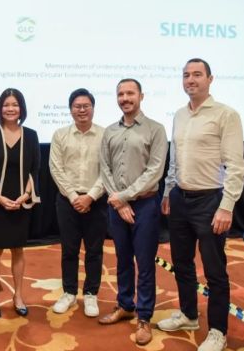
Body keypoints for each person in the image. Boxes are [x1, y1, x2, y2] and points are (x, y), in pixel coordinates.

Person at [157, 58, 244, 351]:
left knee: (214, 271)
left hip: (210, 201)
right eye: (186, 75)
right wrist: (168, 191)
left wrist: (227, 206)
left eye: (197, 74)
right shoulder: (179, 115)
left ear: (210, 79)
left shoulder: (226, 115)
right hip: (180, 200)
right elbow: (174, 160)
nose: (191, 80)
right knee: (182, 263)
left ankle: (218, 331)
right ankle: (189, 315)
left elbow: (236, 166)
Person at [98, 78, 168, 345]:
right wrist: (119, 202)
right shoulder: (109, 131)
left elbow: (155, 171)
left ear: (141, 96)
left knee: (145, 263)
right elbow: (104, 168)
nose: (125, 98)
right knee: (123, 258)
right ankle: (125, 305)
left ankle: (144, 316)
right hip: (117, 206)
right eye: (121, 94)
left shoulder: (156, 129)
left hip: (145, 205)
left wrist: (124, 197)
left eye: (130, 93)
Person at [0, 88, 40, 320]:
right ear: (0, 108)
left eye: (15, 104)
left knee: (18, 250)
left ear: (21, 108)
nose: (10, 109)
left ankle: (18, 296)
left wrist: (26, 195)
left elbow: (35, 169)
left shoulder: (31, 135)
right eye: (6, 105)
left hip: (21, 202)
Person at [49, 88, 107, 317]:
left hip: (97, 201)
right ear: (70, 109)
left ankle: (91, 293)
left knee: (94, 250)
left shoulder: (105, 135)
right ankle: (69, 292)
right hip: (67, 201)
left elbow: (108, 171)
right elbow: (56, 169)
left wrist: (90, 196)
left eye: (86, 106)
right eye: (77, 106)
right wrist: (74, 197)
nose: (82, 110)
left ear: (93, 108)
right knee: (69, 249)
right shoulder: (60, 135)